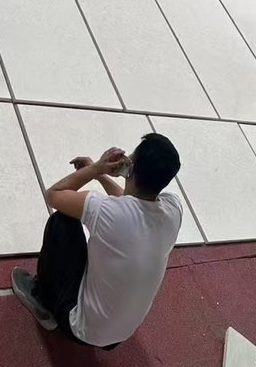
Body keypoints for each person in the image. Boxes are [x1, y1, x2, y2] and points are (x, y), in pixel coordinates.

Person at [11, 133, 182, 349]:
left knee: (62, 221)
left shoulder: (107, 211)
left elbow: (53, 195)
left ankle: (42, 298)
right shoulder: (174, 209)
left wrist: (95, 170)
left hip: (80, 329)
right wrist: (100, 175)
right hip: (119, 338)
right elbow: (131, 204)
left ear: (130, 169)